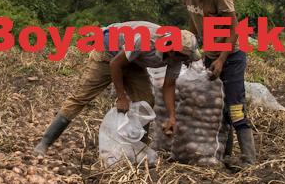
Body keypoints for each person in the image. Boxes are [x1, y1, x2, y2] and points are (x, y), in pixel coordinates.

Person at [33, 21, 190, 156]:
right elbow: (115, 64)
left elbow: (169, 85)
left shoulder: (177, 58)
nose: (178, 59)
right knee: (81, 97)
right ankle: (45, 142)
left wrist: (172, 117)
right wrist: (121, 97)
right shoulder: (144, 40)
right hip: (108, 52)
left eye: (183, 57)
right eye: (177, 54)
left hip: (134, 61)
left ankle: (139, 150)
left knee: (146, 102)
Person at [175, 0, 255, 168]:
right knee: (217, 106)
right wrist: (190, 50)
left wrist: (221, 59)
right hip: (210, 53)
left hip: (231, 56)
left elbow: (234, 28)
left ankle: (249, 159)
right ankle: (223, 154)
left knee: (235, 105)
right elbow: (193, 22)